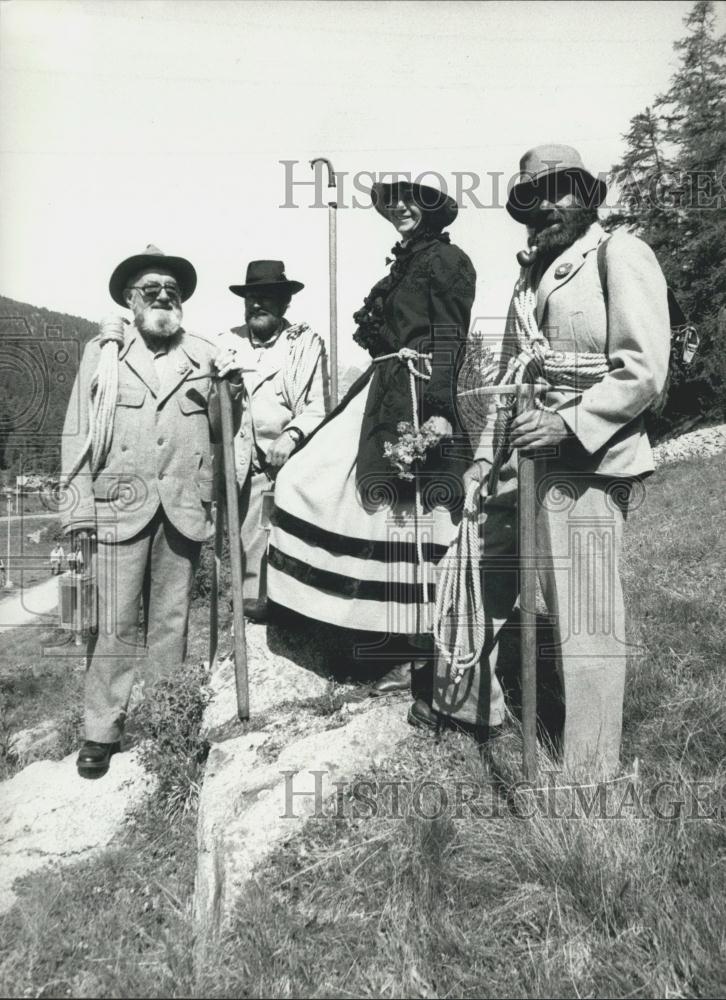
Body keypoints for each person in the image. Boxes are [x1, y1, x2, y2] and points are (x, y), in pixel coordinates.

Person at [434, 144, 670, 775]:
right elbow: (514, 384)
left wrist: (567, 423)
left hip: (591, 462)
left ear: (587, 197)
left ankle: (590, 778)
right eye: (533, 196)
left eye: (562, 190)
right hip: (526, 462)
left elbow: (644, 371)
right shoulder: (531, 276)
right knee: (509, 588)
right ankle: (477, 710)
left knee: (588, 622)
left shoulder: (620, 254)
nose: (547, 205)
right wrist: (484, 459)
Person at [268, 177, 476, 712]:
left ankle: (420, 655)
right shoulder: (406, 262)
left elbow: (449, 338)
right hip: (382, 388)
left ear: (433, 211)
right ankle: (351, 628)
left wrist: (438, 413)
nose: (401, 209)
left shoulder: (446, 263)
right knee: (306, 478)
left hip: (416, 392)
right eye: (394, 203)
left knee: (408, 518)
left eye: (414, 201)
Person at [61, 244, 242, 779]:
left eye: (173, 290)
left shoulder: (207, 357)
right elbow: (76, 431)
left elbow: (223, 433)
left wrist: (229, 392)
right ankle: (101, 731)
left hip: (183, 509)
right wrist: (77, 514)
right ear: (130, 300)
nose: (164, 297)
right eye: (151, 290)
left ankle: (167, 723)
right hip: (118, 508)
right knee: (112, 625)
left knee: (172, 623)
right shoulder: (104, 354)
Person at [216, 260, 327, 621]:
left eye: (266, 298)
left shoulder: (305, 346)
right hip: (243, 466)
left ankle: (292, 620)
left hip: (291, 464)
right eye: (251, 298)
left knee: (290, 544)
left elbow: (320, 404)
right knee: (247, 549)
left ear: (284, 304)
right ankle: (249, 627)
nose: (257, 305)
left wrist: (292, 434)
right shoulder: (224, 344)